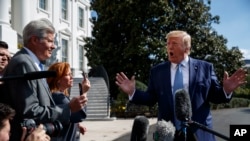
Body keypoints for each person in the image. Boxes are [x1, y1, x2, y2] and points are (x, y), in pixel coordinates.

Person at [115, 30, 247, 141]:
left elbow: (215, 96)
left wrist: (226, 90)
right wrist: (133, 92)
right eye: (168, 44)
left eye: (174, 43)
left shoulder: (205, 68)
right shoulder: (157, 71)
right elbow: (150, 98)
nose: (169, 47)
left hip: (199, 131)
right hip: (167, 132)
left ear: (187, 48)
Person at [2, 18, 88, 141]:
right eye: (50, 41)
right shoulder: (23, 63)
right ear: (35, 40)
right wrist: (67, 109)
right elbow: (30, 111)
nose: (54, 46)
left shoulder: (32, 63)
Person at [47, 62, 90, 141]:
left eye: (71, 74)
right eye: (68, 74)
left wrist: (76, 126)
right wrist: (84, 92)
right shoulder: (58, 96)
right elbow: (79, 116)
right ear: (58, 79)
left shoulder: (57, 95)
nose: (71, 77)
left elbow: (68, 117)